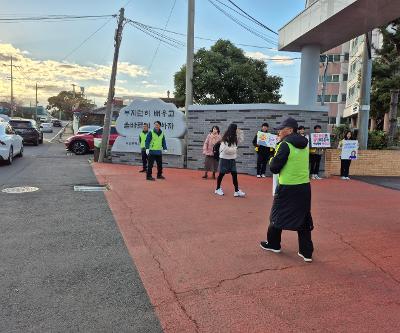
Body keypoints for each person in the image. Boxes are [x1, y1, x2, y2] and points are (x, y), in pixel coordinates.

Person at [260, 117, 314, 263]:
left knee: (276, 216)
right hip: (304, 187)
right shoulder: (305, 144)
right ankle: (306, 252)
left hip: (287, 187)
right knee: (303, 218)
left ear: (290, 130)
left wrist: (272, 158)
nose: (278, 131)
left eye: (281, 129)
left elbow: (274, 168)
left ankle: (274, 244)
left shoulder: (284, 145)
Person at [215, 123, 246, 197]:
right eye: (236, 129)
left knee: (234, 174)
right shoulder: (226, 138)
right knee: (221, 174)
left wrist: (240, 132)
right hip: (224, 159)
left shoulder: (234, 137)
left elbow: (241, 140)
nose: (236, 130)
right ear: (233, 130)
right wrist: (235, 149)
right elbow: (225, 150)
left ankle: (236, 190)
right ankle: (217, 188)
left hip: (232, 159)